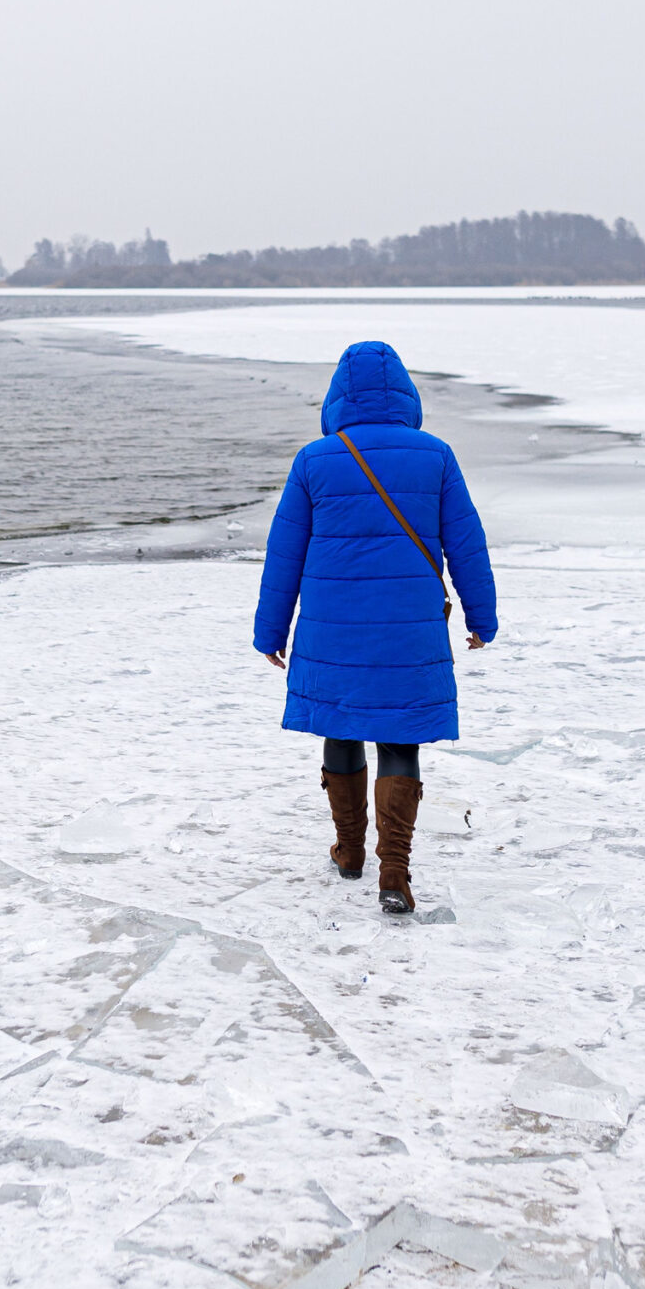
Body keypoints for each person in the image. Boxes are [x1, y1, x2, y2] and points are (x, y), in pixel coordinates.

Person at [253, 341, 499, 914]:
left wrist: (271, 631)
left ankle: (350, 852)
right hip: (407, 628)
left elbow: (283, 553)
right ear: (406, 396)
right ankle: (395, 873)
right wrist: (481, 617)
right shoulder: (436, 455)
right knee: (398, 737)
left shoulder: (316, 459)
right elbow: (467, 544)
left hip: (331, 628)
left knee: (340, 728)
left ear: (338, 397)